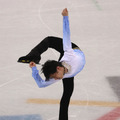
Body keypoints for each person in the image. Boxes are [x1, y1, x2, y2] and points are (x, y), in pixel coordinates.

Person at [18, 8, 85, 120]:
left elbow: (66, 33)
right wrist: (34, 70)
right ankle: (32, 57)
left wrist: (65, 17)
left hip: (72, 50)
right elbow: (41, 84)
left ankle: (33, 56)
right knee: (66, 95)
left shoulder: (69, 53)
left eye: (54, 76)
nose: (55, 80)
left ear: (58, 69)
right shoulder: (58, 74)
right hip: (66, 68)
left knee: (49, 40)